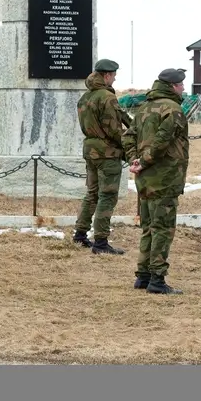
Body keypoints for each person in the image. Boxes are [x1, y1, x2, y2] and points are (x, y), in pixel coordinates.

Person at [125, 68, 191, 295]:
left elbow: (129, 136)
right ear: (173, 86)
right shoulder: (172, 109)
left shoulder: (144, 108)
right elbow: (163, 139)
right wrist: (143, 161)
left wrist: (133, 159)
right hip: (164, 178)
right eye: (181, 84)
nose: (183, 88)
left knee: (148, 228)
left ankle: (143, 276)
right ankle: (157, 279)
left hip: (145, 180)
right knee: (162, 229)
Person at [73, 58, 127, 255]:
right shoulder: (106, 97)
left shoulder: (85, 97)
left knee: (92, 193)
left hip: (90, 150)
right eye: (113, 75)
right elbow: (114, 129)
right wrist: (129, 147)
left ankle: (80, 234)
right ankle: (101, 242)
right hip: (107, 152)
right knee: (107, 195)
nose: (114, 79)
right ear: (106, 75)